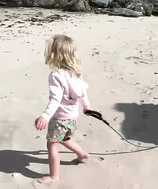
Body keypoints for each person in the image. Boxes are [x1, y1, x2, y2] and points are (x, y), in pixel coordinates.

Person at [34, 34, 90, 184]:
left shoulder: (56, 75)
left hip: (60, 118)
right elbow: (83, 93)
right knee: (65, 138)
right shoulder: (76, 72)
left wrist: (45, 116)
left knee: (52, 144)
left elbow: (55, 99)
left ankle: (54, 176)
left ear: (55, 55)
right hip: (73, 118)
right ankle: (82, 154)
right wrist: (86, 107)